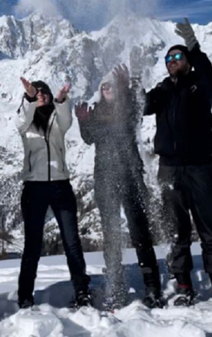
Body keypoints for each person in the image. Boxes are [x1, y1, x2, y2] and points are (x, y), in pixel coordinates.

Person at [144, 18, 212, 306]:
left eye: (177, 56)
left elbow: (209, 73)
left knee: (209, 226)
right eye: (168, 58)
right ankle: (183, 284)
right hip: (169, 167)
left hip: (199, 165)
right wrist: (132, 80)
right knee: (176, 228)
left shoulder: (201, 84)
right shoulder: (162, 90)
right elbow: (142, 106)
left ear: (186, 61)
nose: (172, 61)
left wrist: (194, 46)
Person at [75, 64, 163, 309]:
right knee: (111, 233)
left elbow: (139, 107)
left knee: (139, 231)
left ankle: (153, 286)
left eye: (111, 85)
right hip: (104, 179)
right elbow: (88, 138)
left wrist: (129, 84)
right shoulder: (96, 112)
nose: (107, 89)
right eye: (104, 87)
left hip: (130, 175)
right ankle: (116, 287)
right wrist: (82, 122)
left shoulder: (127, 106)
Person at [15, 77, 92, 309]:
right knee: (32, 244)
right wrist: (29, 98)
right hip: (34, 187)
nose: (40, 95)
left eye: (44, 92)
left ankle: (82, 291)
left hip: (60, 185)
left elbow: (67, 120)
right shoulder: (26, 122)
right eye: (36, 93)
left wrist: (61, 100)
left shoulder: (58, 120)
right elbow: (20, 121)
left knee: (72, 242)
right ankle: (25, 294)